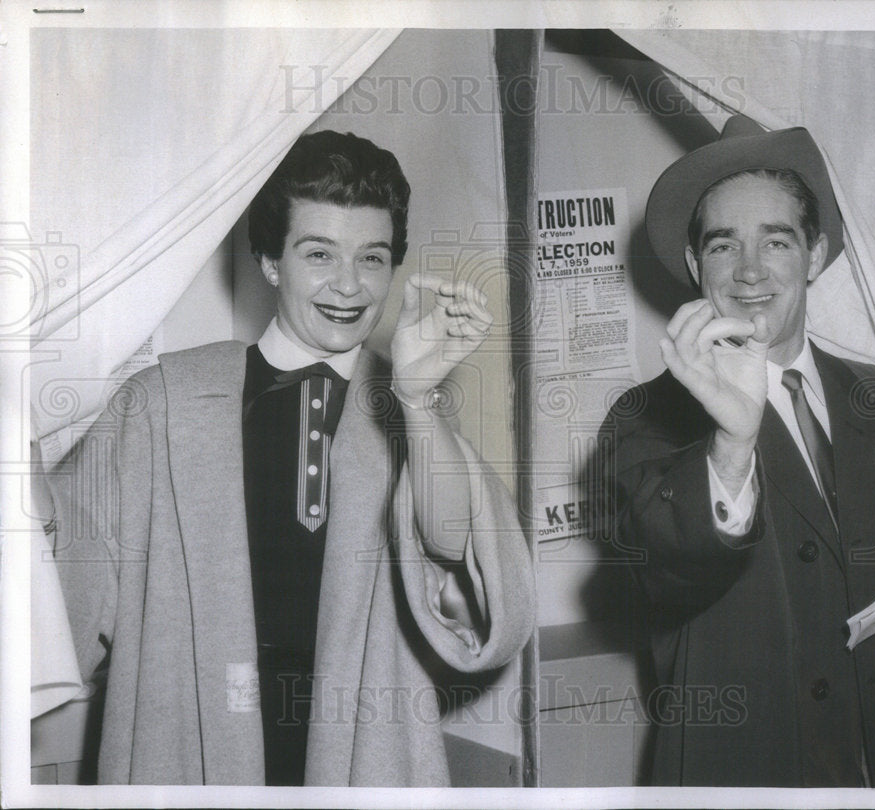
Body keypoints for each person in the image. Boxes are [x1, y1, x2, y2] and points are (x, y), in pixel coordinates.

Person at [44, 130, 534, 786]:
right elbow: (64, 583)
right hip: (190, 741)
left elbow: (458, 551)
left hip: (363, 752)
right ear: (272, 260)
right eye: (319, 254)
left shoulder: (407, 409)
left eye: (372, 258)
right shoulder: (161, 403)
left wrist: (417, 401)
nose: (348, 286)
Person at [600, 115, 875, 787]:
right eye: (722, 246)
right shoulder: (646, 417)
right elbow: (661, 565)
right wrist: (732, 443)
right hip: (741, 775)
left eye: (775, 241)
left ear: (816, 253)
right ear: (694, 265)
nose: (749, 271)